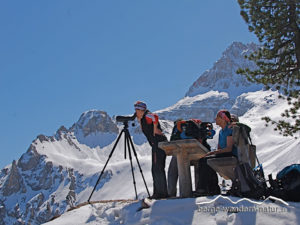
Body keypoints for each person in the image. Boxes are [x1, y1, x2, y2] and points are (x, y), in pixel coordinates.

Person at [195, 110, 237, 196]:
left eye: (217, 117)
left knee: (205, 161)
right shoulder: (221, 131)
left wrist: (213, 153)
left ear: (223, 119)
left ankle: (203, 189)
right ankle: (212, 189)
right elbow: (220, 148)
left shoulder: (230, 129)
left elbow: (229, 148)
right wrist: (213, 153)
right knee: (204, 160)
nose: (215, 119)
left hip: (231, 155)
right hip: (225, 154)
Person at [134, 101, 168, 199]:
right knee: (156, 168)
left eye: (137, 109)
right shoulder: (143, 118)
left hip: (159, 143)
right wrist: (140, 121)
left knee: (157, 168)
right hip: (156, 144)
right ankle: (159, 193)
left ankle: (161, 194)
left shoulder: (147, 115)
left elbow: (155, 117)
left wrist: (155, 129)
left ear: (141, 110)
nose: (135, 111)